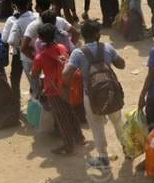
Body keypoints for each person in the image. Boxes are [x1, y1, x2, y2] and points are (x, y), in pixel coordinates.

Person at [63, 20, 126, 172]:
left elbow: (66, 75)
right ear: (97, 34)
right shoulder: (107, 47)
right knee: (118, 122)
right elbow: (121, 64)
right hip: (110, 92)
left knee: (97, 127)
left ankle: (103, 159)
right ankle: (127, 150)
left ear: (83, 35)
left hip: (90, 96)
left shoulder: (78, 53)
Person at [32, 21, 85, 156]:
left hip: (53, 91)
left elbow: (34, 74)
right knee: (71, 113)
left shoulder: (40, 57)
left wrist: (37, 89)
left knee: (62, 118)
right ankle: (80, 138)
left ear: (41, 39)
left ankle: (68, 147)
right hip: (67, 86)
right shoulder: (62, 47)